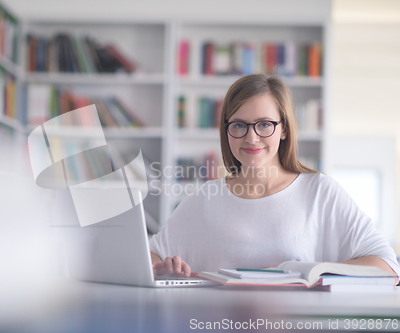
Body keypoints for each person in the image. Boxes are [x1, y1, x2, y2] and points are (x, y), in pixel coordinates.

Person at [149, 74, 400, 282]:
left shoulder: (319, 192)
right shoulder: (205, 198)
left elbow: (387, 265)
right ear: (226, 131)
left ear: (284, 129)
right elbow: (149, 256)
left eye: (264, 124)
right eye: (238, 125)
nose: (251, 138)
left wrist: (315, 271)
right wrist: (161, 268)